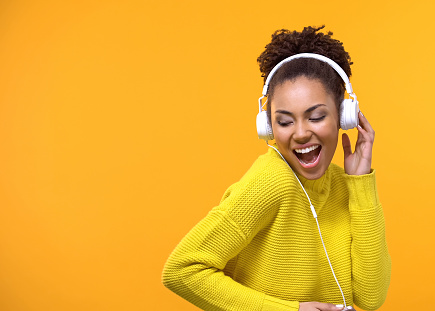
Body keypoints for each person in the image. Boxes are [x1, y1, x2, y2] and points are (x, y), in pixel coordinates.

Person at [162, 25, 391, 311]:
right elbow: (182, 269)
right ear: (268, 126)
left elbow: (371, 297)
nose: (300, 133)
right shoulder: (270, 181)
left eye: (316, 116)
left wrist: (361, 185)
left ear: (344, 117)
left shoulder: (345, 185)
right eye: (284, 122)